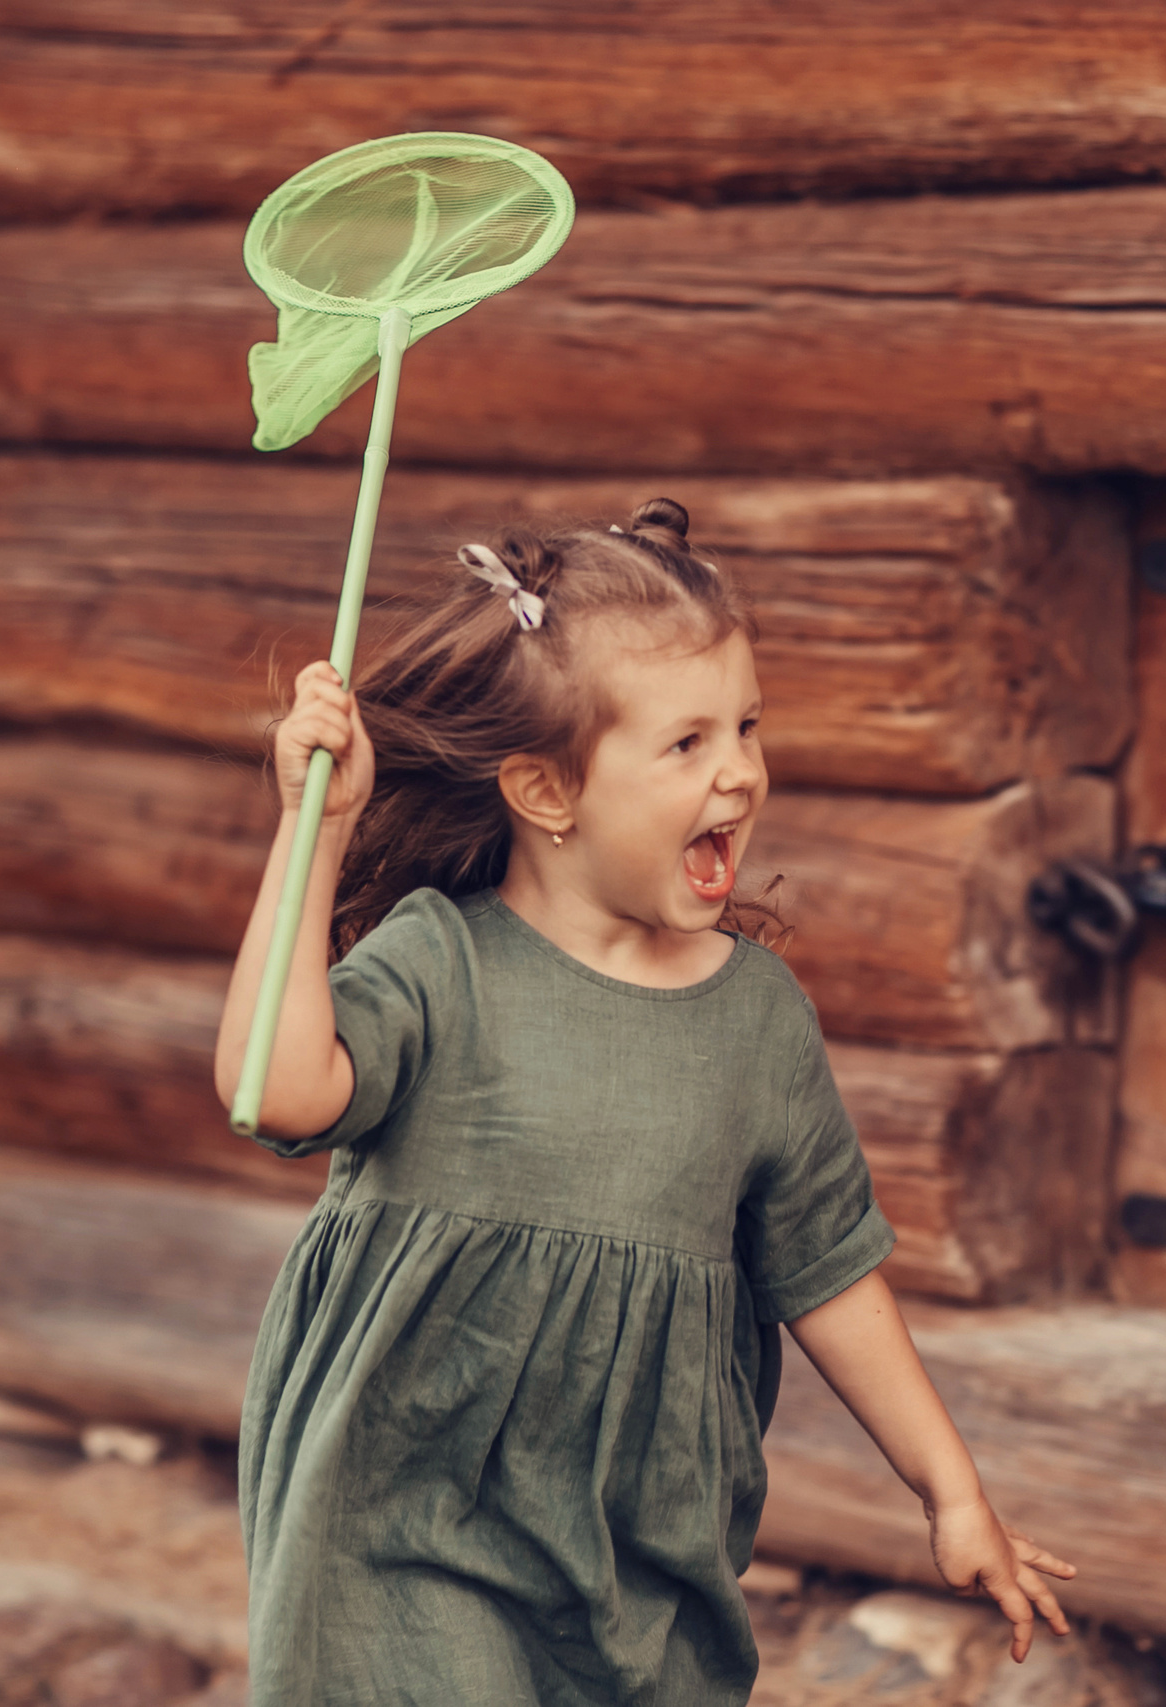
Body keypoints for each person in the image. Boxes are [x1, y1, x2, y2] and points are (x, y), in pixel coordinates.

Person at [213, 497, 1074, 1705]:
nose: (739, 770)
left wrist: (951, 1489)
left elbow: (824, 1267)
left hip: (639, 1536)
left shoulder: (757, 1021)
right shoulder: (442, 964)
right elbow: (277, 1093)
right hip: (408, 1499)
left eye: (746, 726)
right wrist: (315, 829)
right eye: (686, 745)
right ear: (548, 793)